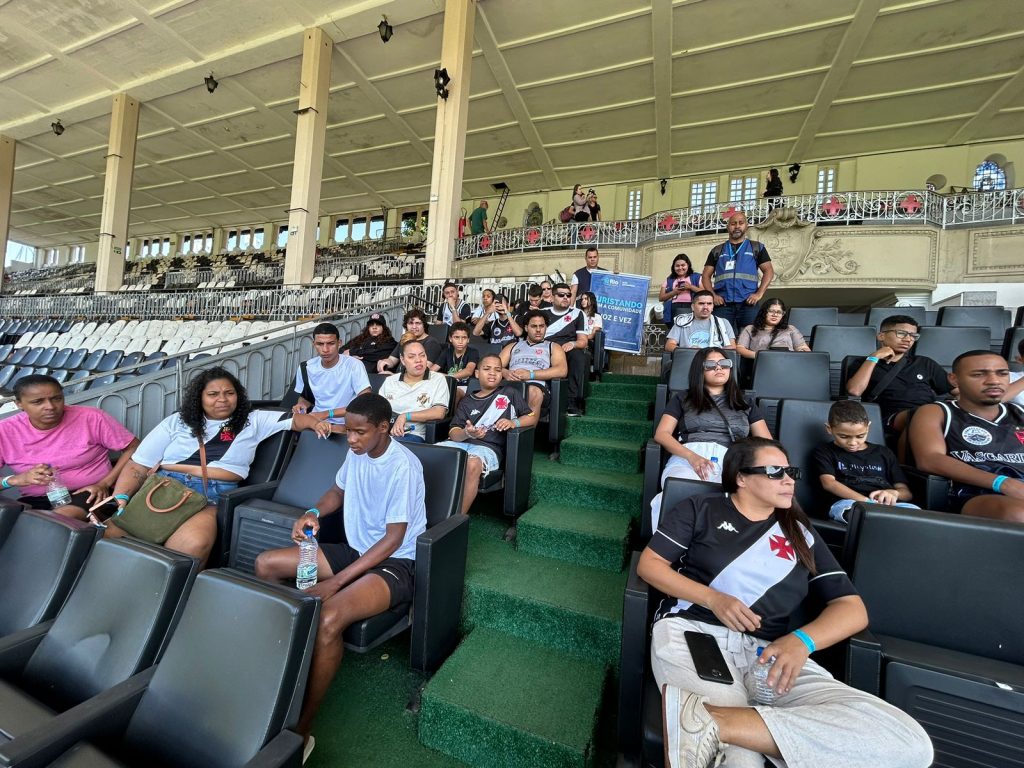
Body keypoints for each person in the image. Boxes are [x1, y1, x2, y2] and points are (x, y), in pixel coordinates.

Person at [640, 437, 934, 768]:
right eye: (774, 471)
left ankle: (709, 720)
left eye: (790, 471)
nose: (789, 479)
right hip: (698, 633)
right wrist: (713, 598)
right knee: (741, 759)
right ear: (740, 477)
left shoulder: (800, 531)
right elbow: (649, 565)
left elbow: (852, 608)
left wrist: (802, 641)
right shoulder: (701, 508)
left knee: (908, 743)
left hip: (774, 654)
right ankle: (727, 725)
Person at [253, 393, 426, 763]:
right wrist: (313, 511)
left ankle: (303, 728)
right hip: (357, 549)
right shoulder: (358, 450)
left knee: (329, 618)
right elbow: (337, 491)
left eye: (359, 433)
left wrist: (336, 582)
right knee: (267, 564)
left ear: (383, 428)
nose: (351, 439)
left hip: (395, 562)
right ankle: (279, 666)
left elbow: (394, 538)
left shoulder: (404, 467)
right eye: (348, 432)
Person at [104, 367, 327, 565]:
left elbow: (296, 420)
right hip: (165, 489)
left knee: (190, 547)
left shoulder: (254, 420)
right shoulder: (177, 422)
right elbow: (138, 465)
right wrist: (122, 498)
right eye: (213, 394)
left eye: (229, 393)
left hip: (212, 496)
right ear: (199, 397)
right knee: (113, 537)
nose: (222, 399)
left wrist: (316, 423)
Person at [649, 348, 770, 529]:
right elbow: (662, 434)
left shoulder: (745, 402)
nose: (719, 368)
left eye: (724, 364)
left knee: (732, 502)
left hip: (732, 459)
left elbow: (766, 441)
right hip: (689, 456)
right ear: (700, 370)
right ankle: (669, 552)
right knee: (677, 494)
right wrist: (692, 457)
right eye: (710, 365)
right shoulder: (683, 398)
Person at [0, 374, 139, 521]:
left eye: (57, 398)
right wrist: (15, 480)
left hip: (91, 492)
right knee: (14, 525)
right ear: (19, 404)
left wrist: (105, 483)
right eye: (38, 402)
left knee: (58, 520)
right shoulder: (5, 430)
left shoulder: (91, 417)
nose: (50, 407)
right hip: (37, 499)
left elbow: (134, 447)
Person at [909, 350, 1024, 522]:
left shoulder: (1019, 413)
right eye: (979, 374)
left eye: (1002, 374)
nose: (994, 381)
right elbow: (930, 459)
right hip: (972, 492)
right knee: (1018, 514)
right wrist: (1003, 483)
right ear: (954, 379)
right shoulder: (937, 411)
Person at [436, 354, 537, 514]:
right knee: (426, 455)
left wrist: (514, 422)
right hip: (459, 443)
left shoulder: (509, 393)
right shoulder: (467, 400)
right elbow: (454, 433)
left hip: (487, 449)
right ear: (477, 373)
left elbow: (530, 417)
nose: (492, 373)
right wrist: (467, 433)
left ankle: (454, 521)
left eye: (497, 370)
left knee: (472, 464)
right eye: (487, 369)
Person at [813, 400, 918, 524]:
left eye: (860, 436)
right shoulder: (825, 451)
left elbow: (906, 493)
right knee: (850, 511)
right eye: (844, 436)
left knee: (916, 514)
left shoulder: (884, 453)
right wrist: (867, 503)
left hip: (887, 506)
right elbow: (829, 483)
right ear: (829, 428)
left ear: (868, 427)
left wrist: (893, 493)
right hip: (849, 503)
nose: (853, 443)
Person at [845, 314, 950, 436]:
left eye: (913, 336)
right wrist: (875, 357)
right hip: (890, 418)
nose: (908, 339)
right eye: (901, 333)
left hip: (930, 415)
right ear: (881, 336)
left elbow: (955, 390)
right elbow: (854, 391)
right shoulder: (865, 363)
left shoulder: (924, 363)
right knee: (920, 416)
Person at [701, 212, 774, 333]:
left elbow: (769, 271)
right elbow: (705, 276)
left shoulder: (756, 247)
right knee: (721, 337)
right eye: (733, 223)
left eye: (741, 223)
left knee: (752, 337)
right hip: (723, 304)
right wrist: (713, 295)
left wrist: (759, 294)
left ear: (747, 226)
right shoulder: (717, 250)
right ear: (728, 226)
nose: (737, 226)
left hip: (748, 303)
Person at [293, 322, 371, 430]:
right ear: (314, 344)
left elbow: (365, 402)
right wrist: (301, 405)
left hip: (345, 423)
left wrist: (326, 414)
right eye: (320, 344)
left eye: (330, 343)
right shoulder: (306, 367)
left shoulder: (354, 365)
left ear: (339, 343)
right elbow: (306, 397)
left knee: (333, 430)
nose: (325, 349)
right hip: (315, 420)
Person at [378, 340, 451, 443]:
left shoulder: (437, 379)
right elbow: (378, 410)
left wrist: (405, 416)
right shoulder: (390, 381)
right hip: (386, 432)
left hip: (413, 435)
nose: (418, 360)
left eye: (422, 355)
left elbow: (439, 412)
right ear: (402, 360)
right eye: (411, 357)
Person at [500, 310, 568, 416]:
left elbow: (562, 370)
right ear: (526, 328)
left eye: (542, 326)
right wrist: (505, 373)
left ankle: (526, 429)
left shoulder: (553, 347)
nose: (538, 330)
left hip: (536, 385)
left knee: (533, 391)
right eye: (534, 326)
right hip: (512, 383)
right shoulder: (513, 346)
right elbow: (495, 365)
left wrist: (530, 374)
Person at [541, 282, 590, 416]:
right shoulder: (541, 313)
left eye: (568, 295)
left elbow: (583, 341)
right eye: (561, 295)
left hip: (567, 347)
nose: (565, 298)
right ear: (552, 297)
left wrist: (573, 344)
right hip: (545, 346)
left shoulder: (578, 314)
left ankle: (571, 401)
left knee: (578, 356)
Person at [735, 298, 810, 360]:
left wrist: (803, 352)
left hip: (788, 362)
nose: (775, 315)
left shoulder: (790, 328)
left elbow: (802, 347)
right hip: (762, 363)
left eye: (779, 312)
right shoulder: (750, 328)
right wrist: (759, 356)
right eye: (771, 311)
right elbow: (740, 348)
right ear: (764, 312)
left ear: (783, 314)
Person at [665, 291, 736, 353]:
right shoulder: (682, 321)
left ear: (712, 307)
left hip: (715, 362)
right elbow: (669, 345)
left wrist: (713, 352)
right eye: (701, 303)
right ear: (692, 306)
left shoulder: (723, 322)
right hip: (689, 359)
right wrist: (688, 350)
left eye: (709, 303)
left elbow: (732, 346)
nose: (705, 307)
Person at [378, 308, 443, 372]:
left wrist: (393, 376)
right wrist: (385, 362)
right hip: (398, 379)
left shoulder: (431, 342)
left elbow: (422, 369)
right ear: (406, 325)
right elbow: (392, 360)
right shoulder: (404, 339)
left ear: (424, 325)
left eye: (418, 323)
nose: (414, 327)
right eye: (411, 323)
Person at [433, 322, 479, 404]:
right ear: (450, 339)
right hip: (448, 385)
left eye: (464, 338)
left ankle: (452, 417)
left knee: (455, 392)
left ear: (468, 339)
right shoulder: (447, 352)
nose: (460, 341)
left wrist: (447, 377)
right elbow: (433, 370)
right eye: (456, 337)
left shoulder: (473, 352)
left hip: (466, 387)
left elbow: (469, 371)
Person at [659, 253, 702, 327]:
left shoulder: (696, 277)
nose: (680, 268)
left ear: (688, 265)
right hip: (673, 307)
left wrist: (690, 287)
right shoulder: (669, 279)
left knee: (691, 329)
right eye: (677, 266)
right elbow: (661, 298)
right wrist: (674, 292)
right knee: (675, 330)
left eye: (683, 265)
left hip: (691, 306)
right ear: (673, 267)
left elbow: (704, 292)